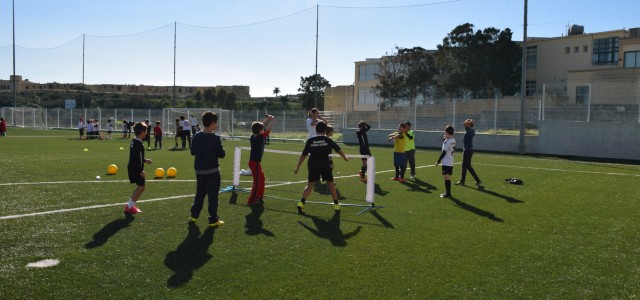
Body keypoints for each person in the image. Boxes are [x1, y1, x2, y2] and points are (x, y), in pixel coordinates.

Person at [294, 121, 349, 214]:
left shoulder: (310, 141)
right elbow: (339, 150)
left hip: (313, 165)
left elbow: (303, 155)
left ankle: (301, 202)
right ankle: (336, 204)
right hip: (325, 165)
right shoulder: (328, 140)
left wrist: (297, 167)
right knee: (331, 184)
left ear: (316, 130)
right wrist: (345, 158)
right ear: (325, 130)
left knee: (310, 186)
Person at [189, 111, 226, 227]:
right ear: (212, 123)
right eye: (216, 123)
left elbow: (192, 152)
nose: (217, 125)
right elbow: (222, 154)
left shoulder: (196, 136)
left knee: (200, 193)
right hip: (212, 172)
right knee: (213, 196)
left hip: (199, 171)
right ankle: (213, 219)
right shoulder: (215, 138)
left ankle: (194, 216)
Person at [125, 122, 153, 214]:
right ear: (142, 132)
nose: (147, 133)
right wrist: (141, 171)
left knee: (139, 187)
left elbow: (136, 157)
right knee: (141, 187)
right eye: (146, 131)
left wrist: (145, 160)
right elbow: (138, 159)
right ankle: (129, 206)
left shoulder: (134, 141)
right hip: (136, 168)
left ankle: (130, 205)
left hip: (132, 167)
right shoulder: (139, 143)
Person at [246, 115, 274, 206]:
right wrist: (272, 121)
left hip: (254, 162)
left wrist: (268, 118)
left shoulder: (253, 136)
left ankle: (259, 196)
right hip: (255, 163)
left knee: (261, 178)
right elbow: (268, 131)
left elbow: (259, 125)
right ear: (260, 131)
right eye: (262, 129)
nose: (264, 129)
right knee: (257, 182)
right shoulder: (259, 137)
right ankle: (252, 201)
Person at [457, 119, 482, 186]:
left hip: (467, 151)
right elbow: (465, 124)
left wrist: (468, 121)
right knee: (468, 166)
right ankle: (477, 180)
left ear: (469, 125)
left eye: (467, 123)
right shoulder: (472, 131)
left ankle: (462, 181)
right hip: (469, 150)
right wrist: (470, 122)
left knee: (464, 166)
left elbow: (464, 123)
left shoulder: (469, 131)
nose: (465, 125)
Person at [435, 125, 456, 198]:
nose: (444, 133)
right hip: (451, 161)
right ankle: (448, 192)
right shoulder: (453, 140)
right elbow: (449, 147)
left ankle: (448, 193)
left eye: (445, 132)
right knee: (447, 177)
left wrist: (438, 161)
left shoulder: (447, 141)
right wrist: (445, 140)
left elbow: (444, 152)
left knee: (446, 177)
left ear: (447, 133)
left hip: (446, 162)